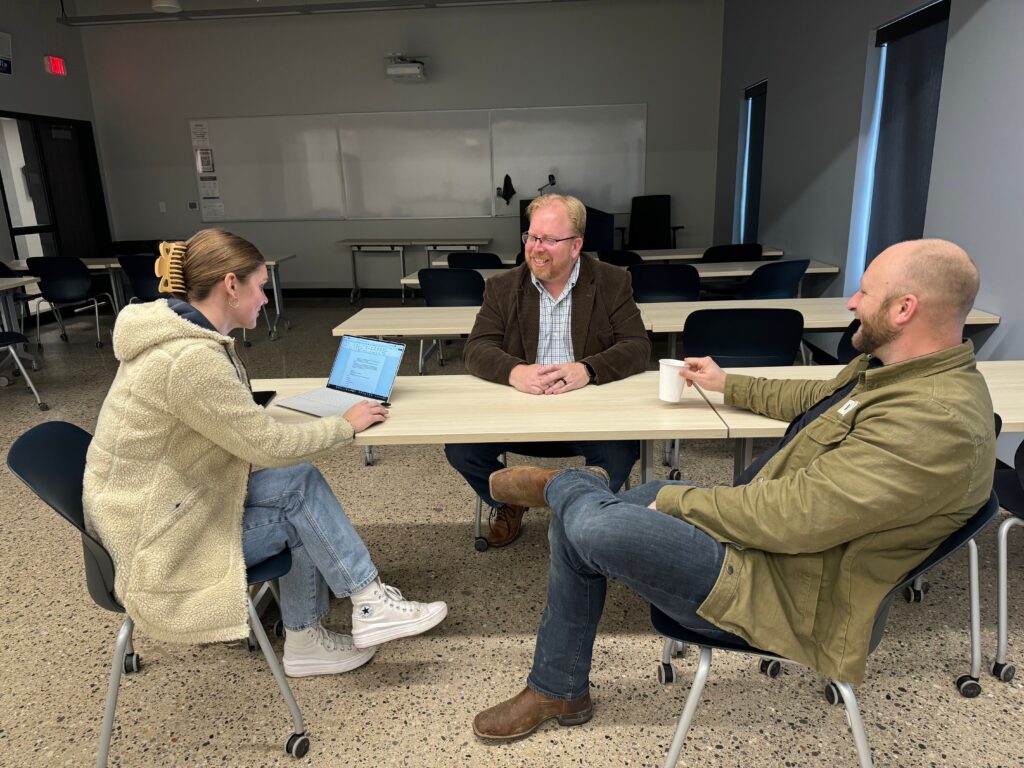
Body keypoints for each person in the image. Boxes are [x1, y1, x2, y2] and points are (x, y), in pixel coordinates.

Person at [472, 238, 995, 740]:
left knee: (593, 522)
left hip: (786, 593)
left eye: (865, 292)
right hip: (768, 548)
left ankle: (565, 484)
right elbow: (816, 399)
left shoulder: (933, 418)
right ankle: (558, 689)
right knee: (582, 520)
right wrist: (728, 383)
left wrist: (677, 500)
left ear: (904, 309)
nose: (852, 302)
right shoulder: (895, 374)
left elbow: (795, 517)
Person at [83, 229, 447, 679]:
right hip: (159, 544)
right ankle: (355, 609)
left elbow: (239, 433)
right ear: (230, 285)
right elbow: (269, 448)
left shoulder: (178, 337)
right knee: (300, 500)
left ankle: (340, 618)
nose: (266, 299)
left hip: (160, 509)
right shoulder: (189, 360)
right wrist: (345, 425)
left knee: (300, 483)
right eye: (259, 286)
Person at [444, 194, 651, 548]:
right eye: (532, 237)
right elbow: (476, 348)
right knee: (460, 449)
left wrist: (588, 369)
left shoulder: (612, 281)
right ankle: (512, 500)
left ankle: (577, 511)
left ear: (576, 246)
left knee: (621, 451)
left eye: (549, 240)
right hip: (519, 410)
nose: (537, 248)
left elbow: (637, 346)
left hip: (588, 410)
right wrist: (515, 372)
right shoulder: (503, 286)